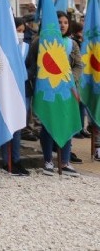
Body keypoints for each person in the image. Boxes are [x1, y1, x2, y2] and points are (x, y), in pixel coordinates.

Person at [27, 11, 82, 177]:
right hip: (48, 90)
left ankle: (65, 161)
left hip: (67, 90)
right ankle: (48, 161)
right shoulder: (39, 42)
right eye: (59, 22)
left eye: (65, 22)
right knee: (48, 123)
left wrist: (70, 79)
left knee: (66, 122)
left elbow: (79, 65)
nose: (62, 25)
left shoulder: (72, 44)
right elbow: (32, 63)